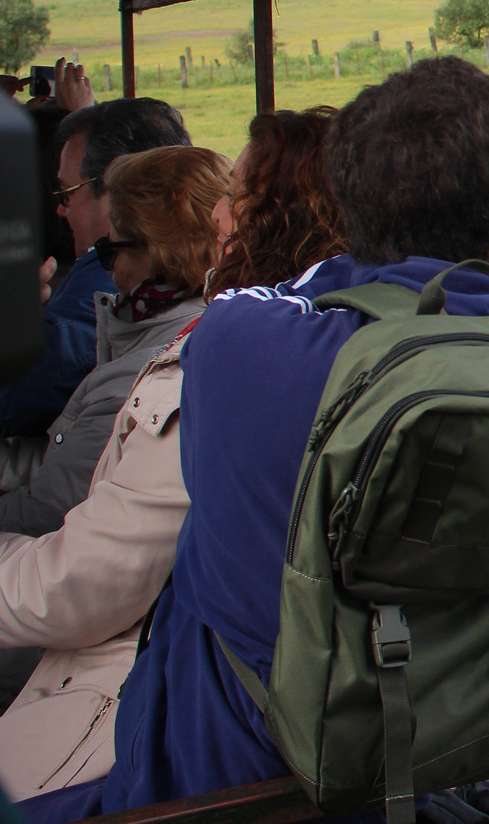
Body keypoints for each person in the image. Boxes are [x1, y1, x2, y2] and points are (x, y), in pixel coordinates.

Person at [26, 58, 489, 823]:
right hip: (416, 774)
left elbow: (269, 281)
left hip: (217, 791)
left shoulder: (234, 341)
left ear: (348, 214)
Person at [0, 113, 346, 800]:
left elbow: (85, 585)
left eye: (235, 192)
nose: (215, 211)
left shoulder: (224, 363)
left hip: (139, 735)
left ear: (274, 218)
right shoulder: (352, 347)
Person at [3, 98, 190, 450]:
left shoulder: (106, 281)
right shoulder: (209, 270)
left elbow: (16, 395)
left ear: (117, 188)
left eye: (67, 192)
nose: (60, 208)